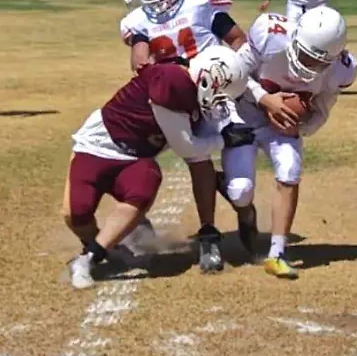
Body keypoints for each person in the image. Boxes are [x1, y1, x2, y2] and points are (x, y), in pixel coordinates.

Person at [62, 46, 254, 289]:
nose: (218, 101)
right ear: (210, 76)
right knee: (75, 214)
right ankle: (105, 244)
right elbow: (189, 148)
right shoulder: (173, 81)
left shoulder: (189, 83)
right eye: (219, 92)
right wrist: (225, 139)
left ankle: (89, 259)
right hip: (99, 146)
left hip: (136, 158)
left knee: (143, 187)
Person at [119, 0, 250, 271]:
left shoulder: (201, 3)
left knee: (199, 160)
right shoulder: (140, 21)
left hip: (210, 96)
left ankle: (208, 234)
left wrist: (234, 74)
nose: (159, 1)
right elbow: (138, 57)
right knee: (127, 152)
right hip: (169, 99)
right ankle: (137, 220)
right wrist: (146, 62)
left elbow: (238, 41)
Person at [220, 6, 357, 279]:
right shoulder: (269, 35)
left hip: (280, 125)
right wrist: (266, 99)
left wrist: (300, 123)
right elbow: (236, 74)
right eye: (305, 55)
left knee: (290, 170)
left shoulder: (341, 71)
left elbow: (321, 110)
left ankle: (277, 253)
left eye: (317, 62)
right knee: (240, 191)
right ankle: (246, 214)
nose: (308, 65)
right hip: (244, 113)